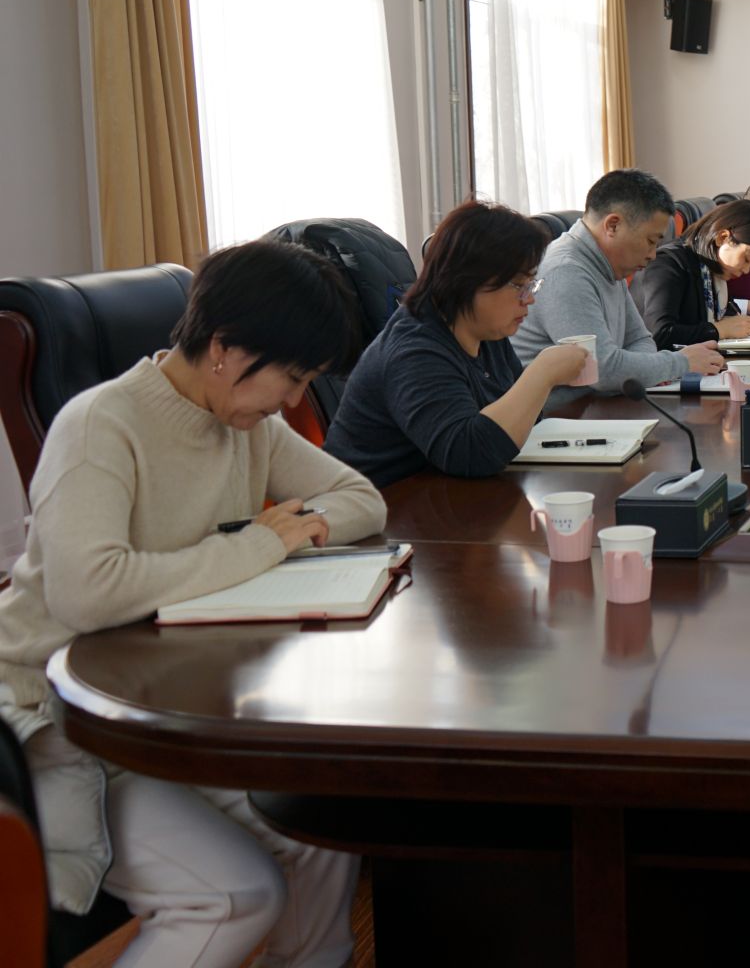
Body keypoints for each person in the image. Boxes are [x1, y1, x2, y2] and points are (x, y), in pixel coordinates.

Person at [0, 240, 387, 968]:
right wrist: (258, 546)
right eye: (292, 377)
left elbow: (360, 498)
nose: (294, 401)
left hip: (178, 704)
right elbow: (88, 592)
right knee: (234, 896)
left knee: (319, 826)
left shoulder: (246, 425)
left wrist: (296, 529)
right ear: (225, 349)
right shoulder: (100, 425)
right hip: (66, 721)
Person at [324, 201, 593, 487]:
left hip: (444, 495)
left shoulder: (486, 331)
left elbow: (524, 424)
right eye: (518, 285)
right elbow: (469, 455)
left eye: (531, 284)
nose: (529, 298)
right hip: (383, 503)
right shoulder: (415, 351)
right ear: (466, 281)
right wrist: (542, 374)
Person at [510, 169, 725, 407]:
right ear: (613, 225)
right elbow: (602, 370)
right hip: (561, 417)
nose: (653, 255)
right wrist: (680, 363)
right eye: (650, 241)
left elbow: (641, 339)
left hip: (601, 407)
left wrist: (647, 370)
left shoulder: (609, 263)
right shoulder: (567, 271)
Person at [635, 201, 750, 349]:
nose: (747, 270)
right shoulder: (669, 264)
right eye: (747, 259)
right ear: (722, 238)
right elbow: (659, 334)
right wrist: (718, 330)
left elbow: (728, 315)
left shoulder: (713, 274)